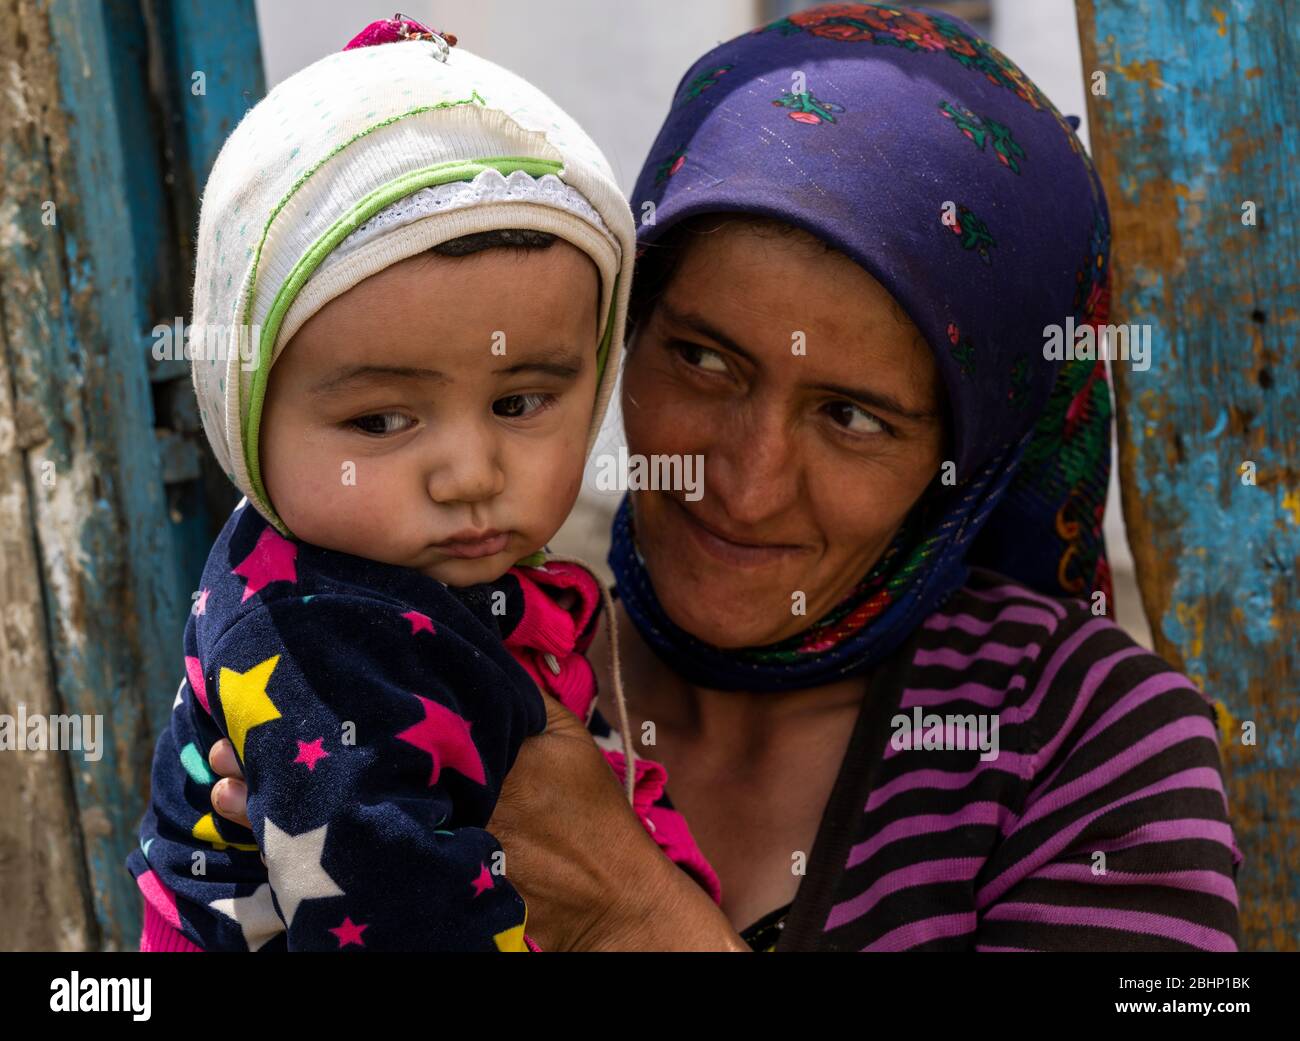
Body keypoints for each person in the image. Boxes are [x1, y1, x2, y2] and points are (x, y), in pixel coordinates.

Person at [204, 3, 1243, 952]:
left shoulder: (1088, 747)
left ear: (970, 450)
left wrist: (633, 909)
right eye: (703, 360)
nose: (744, 487)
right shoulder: (437, 653)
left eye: (852, 417)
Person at [126, 16, 721, 951]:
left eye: (522, 401)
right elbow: (399, 914)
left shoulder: (433, 580)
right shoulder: (319, 634)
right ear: (243, 414)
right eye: (381, 422)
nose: (471, 474)